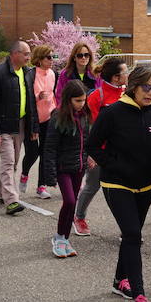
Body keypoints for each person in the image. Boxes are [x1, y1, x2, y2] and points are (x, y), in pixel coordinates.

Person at [87, 64, 151, 302]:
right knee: (133, 234)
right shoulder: (113, 112)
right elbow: (93, 145)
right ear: (134, 86)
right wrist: (115, 165)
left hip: (147, 183)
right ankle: (139, 296)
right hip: (117, 184)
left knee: (130, 236)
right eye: (146, 87)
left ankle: (119, 280)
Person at [73, 57, 128, 236]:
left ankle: (128, 228)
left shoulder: (128, 93)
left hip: (123, 151)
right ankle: (79, 217)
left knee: (127, 187)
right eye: (125, 72)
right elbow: (90, 128)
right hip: (101, 152)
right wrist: (91, 153)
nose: (128, 74)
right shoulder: (97, 96)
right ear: (115, 78)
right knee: (92, 186)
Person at [0, 40, 39, 215]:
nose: (29, 57)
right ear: (15, 54)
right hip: (4, 125)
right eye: (26, 54)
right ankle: (12, 201)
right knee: (8, 161)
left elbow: (31, 101)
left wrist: (33, 127)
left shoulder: (28, 73)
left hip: (21, 124)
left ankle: (2, 192)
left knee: (13, 162)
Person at [43, 80, 90, 258]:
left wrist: (88, 157)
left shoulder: (85, 115)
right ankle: (58, 237)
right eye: (78, 100)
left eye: (83, 100)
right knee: (69, 201)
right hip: (63, 167)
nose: (81, 104)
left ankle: (65, 239)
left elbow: (86, 140)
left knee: (73, 202)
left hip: (79, 167)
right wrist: (50, 175)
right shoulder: (58, 116)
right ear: (69, 99)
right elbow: (50, 147)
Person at [20, 45, 57, 200]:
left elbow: (54, 94)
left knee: (45, 153)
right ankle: (24, 175)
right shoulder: (31, 74)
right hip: (33, 120)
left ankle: (41, 186)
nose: (51, 61)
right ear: (40, 59)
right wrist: (37, 97)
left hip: (49, 118)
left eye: (53, 57)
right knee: (32, 153)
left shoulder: (53, 74)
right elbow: (27, 98)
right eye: (48, 57)